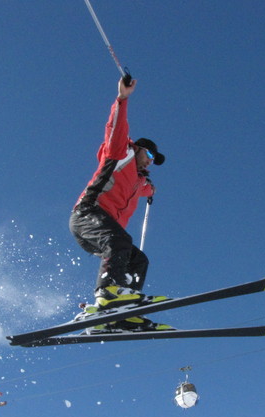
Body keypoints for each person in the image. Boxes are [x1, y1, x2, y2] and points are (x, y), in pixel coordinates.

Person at [69, 77, 169, 334]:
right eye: (148, 155)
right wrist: (122, 99)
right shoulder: (120, 154)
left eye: (152, 160)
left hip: (105, 230)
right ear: (138, 148)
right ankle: (108, 293)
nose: (149, 161)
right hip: (87, 214)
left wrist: (150, 189)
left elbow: (143, 187)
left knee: (139, 260)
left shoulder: (139, 182)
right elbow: (116, 128)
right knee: (120, 241)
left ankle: (123, 311)